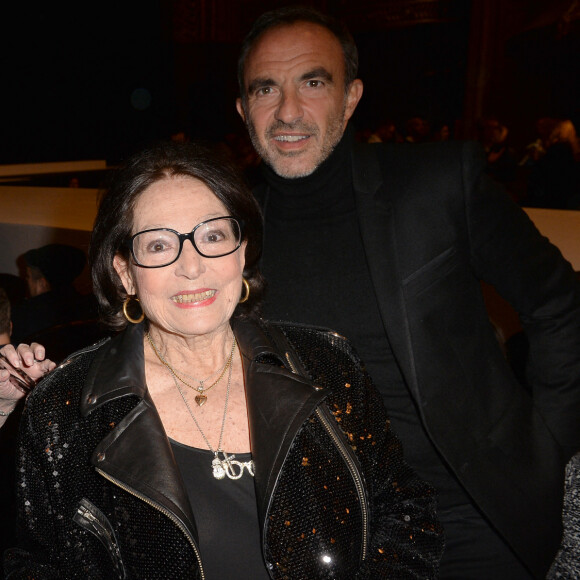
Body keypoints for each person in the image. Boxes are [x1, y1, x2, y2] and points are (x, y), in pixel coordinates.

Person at [233, 6, 580, 579]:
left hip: (472, 516)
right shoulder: (229, 228)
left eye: (313, 83)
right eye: (266, 89)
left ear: (351, 96)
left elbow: (557, 303)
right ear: (245, 110)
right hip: (324, 530)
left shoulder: (438, 185)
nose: (288, 112)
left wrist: (557, 455)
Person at [1, 140, 443, 578]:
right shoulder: (65, 408)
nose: (192, 266)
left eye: (213, 236)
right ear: (124, 272)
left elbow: (405, 512)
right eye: (158, 245)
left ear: (242, 252)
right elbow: (37, 565)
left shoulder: (328, 364)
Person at [11, 243, 98, 344]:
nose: (26, 280)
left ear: (42, 283)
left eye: (28, 276)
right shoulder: (88, 307)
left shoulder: (22, 315)